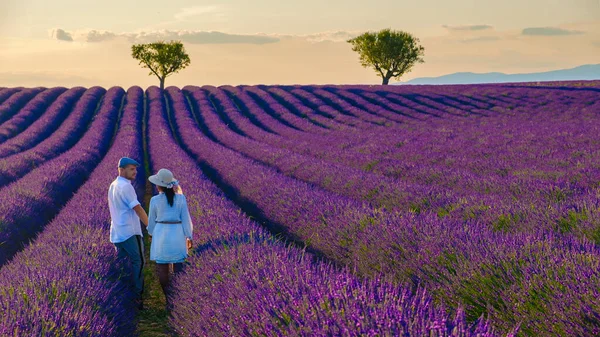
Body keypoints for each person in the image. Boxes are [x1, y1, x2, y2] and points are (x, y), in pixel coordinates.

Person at [108, 157, 149, 310]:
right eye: (132, 169)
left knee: (123, 266)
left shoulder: (113, 185)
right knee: (138, 263)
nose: (135, 172)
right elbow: (137, 208)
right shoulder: (126, 187)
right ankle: (137, 299)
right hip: (130, 233)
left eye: (135, 169)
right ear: (122, 169)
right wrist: (150, 227)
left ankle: (122, 298)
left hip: (117, 233)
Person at [147, 168, 193, 303]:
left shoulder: (154, 200)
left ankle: (168, 298)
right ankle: (178, 298)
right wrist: (189, 236)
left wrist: (151, 234)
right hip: (177, 233)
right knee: (178, 266)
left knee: (163, 268)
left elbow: (151, 222)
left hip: (161, 233)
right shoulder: (181, 198)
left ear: (158, 185)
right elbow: (186, 219)